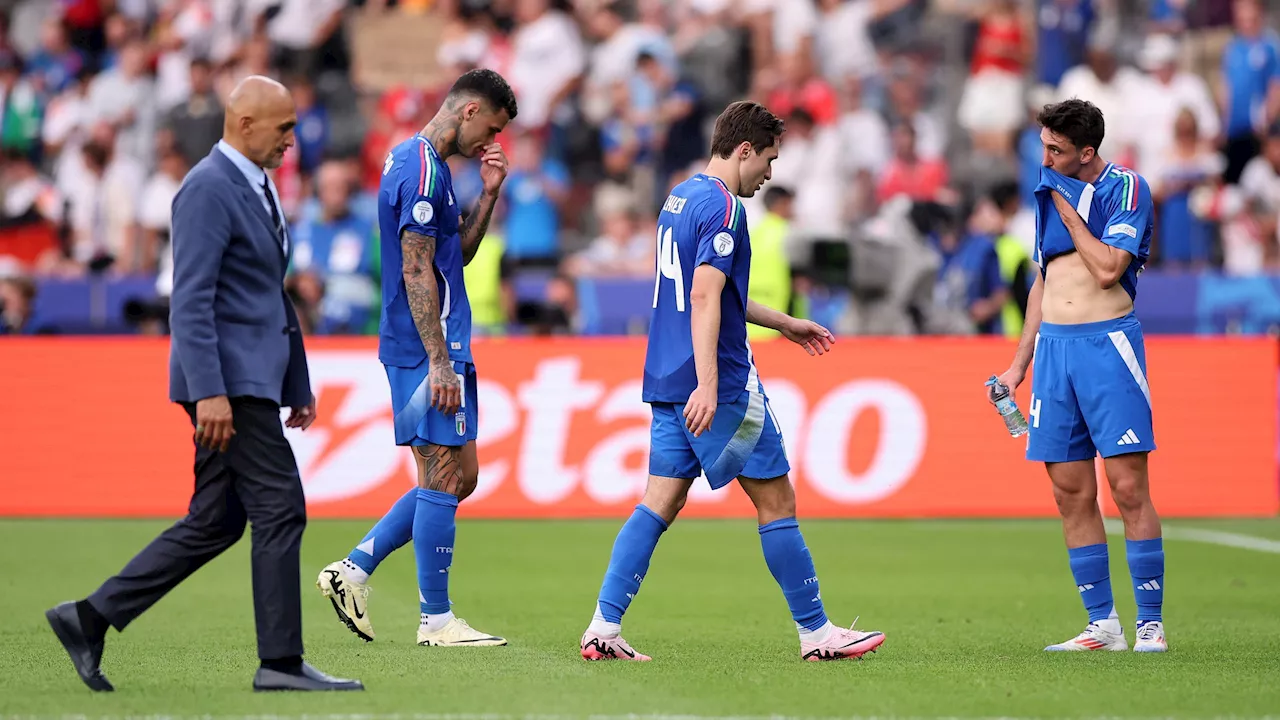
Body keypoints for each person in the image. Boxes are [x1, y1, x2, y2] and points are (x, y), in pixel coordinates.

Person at [44, 76, 363, 692]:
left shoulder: (256, 186)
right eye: (284, 128)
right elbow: (189, 300)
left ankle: (88, 617)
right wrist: (209, 390)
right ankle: (280, 663)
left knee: (216, 520)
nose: (293, 140)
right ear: (244, 124)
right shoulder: (207, 189)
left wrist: (296, 380)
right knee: (281, 508)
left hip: (251, 379)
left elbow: (267, 294)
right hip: (229, 384)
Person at [578, 101, 887, 662]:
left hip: (665, 375)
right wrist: (710, 383)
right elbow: (701, 295)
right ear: (744, 150)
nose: (769, 175)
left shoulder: (679, 198)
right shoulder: (724, 209)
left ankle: (603, 627)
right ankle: (818, 634)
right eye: (767, 161)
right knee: (777, 500)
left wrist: (784, 323)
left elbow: (711, 294)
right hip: (717, 384)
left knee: (659, 501)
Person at [315, 69, 517, 647]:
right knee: (442, 471)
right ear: (471, 111)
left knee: (461, 475)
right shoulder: (422, 170)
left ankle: (353, 569)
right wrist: (438, 360)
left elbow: (458, 253)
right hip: (424, 347)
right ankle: (436, 619)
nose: (492, 141)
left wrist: (491, 192)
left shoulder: (430, 166)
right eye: (493, 128)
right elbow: (413, 266)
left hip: (440, 342)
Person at [993, 98, 1166, 653]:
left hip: (1108, 346)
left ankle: (1149, 622)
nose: (1043, 157)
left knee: (1127, 486)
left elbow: (1110, 268)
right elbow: (1043, 278)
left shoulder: (1126, 188)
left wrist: (1068, 209)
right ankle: (1103, 625)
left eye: (1055, 149)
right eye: (1043, 145)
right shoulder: (1047, 188)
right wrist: (1020, 363)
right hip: (1055, 353)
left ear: (1086, 152)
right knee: (1069, 491)